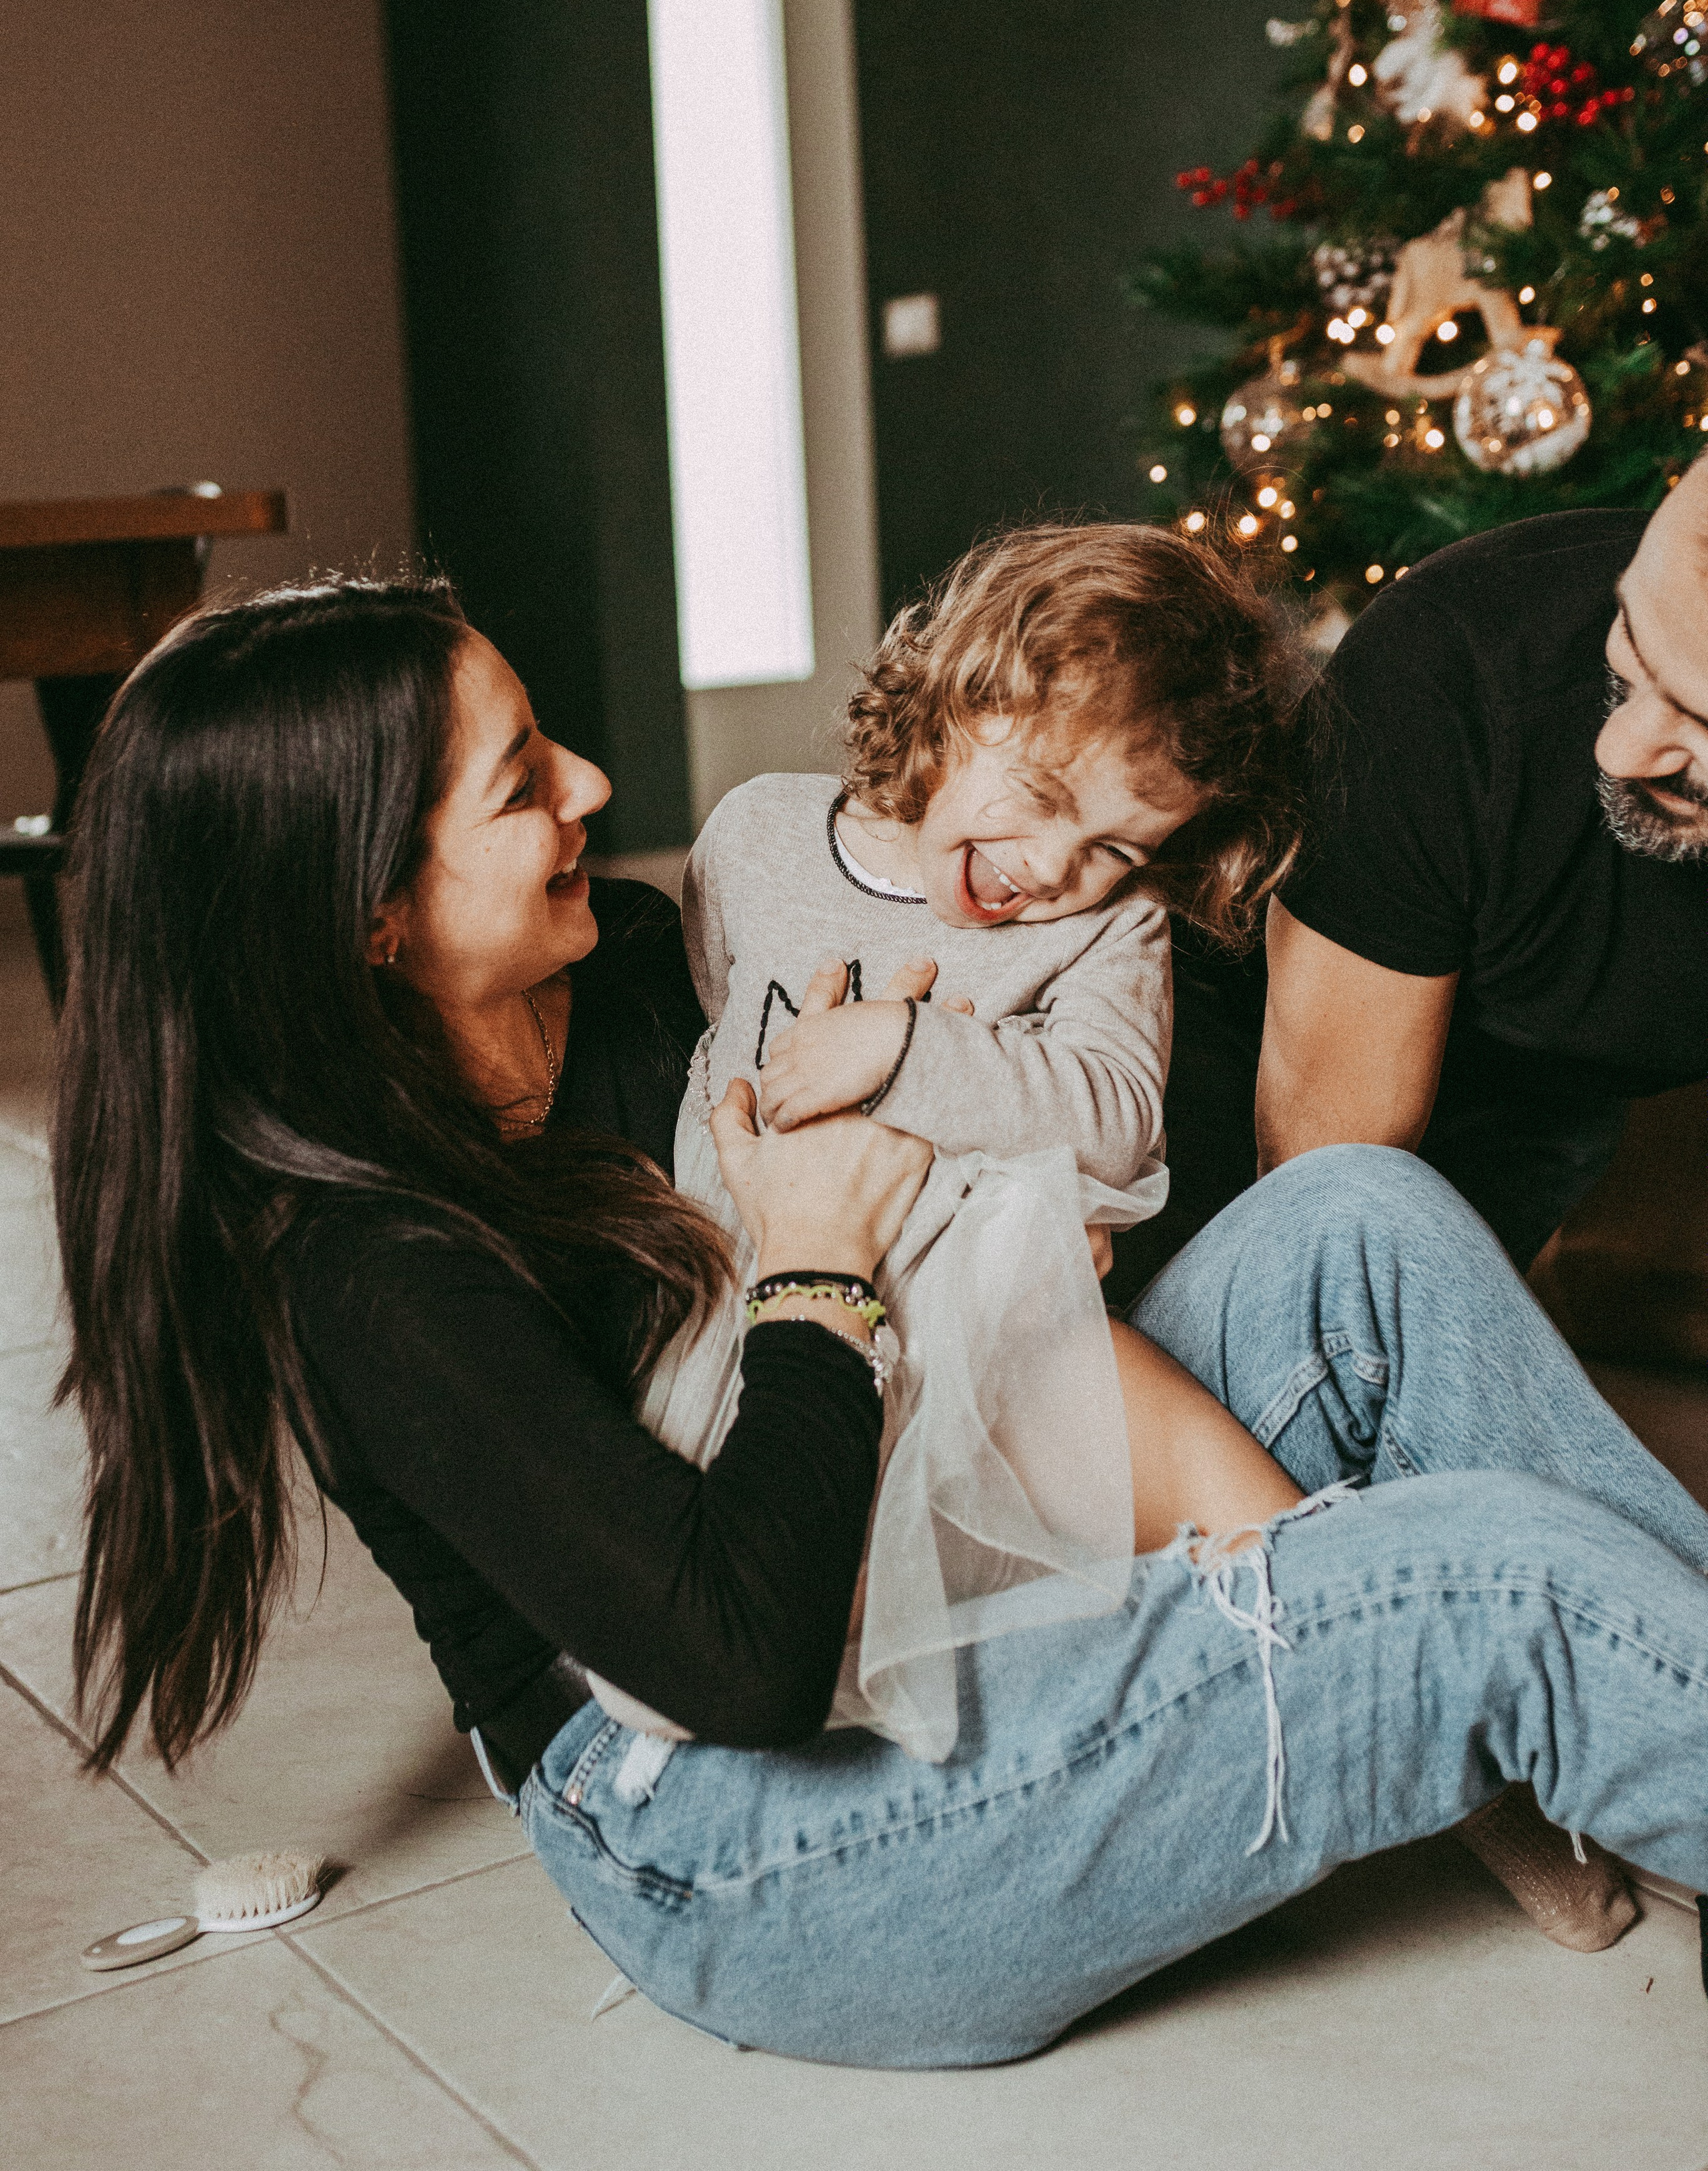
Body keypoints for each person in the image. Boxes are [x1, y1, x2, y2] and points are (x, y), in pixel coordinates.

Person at [54, 577, 1708, 2071]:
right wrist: (819, 1270)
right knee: (1492, 1579)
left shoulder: (639, 964)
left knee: (1360, 1216)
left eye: (544, 737)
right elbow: (733, 1662)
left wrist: (990, 1172)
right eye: (519, 782)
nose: (594, 788)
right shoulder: (366, 1266)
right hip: (742, 1835)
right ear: (370, 914)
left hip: (924, 1554)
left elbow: (1019, 1192)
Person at [643, 524, 1303, 1757]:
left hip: (991, 1344)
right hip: (760, 1327)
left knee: (1222, 1523)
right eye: (1046, 797)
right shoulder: (752, 841)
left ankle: (1396, 1695)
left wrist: (905, 1047)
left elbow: (1114, 1119)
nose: (1056, 864)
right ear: (957, 695)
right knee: (774, 1639)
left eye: (1117, 846)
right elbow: (726, 1022)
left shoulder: (1115, 935)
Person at [1115, 458, 1708, 1301]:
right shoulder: (1451, 664)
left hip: (1552, 1080)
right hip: (1254, 1048)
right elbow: (1325, 1212)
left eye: (1696, 716)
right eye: (1630, 647)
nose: (1618, 750)